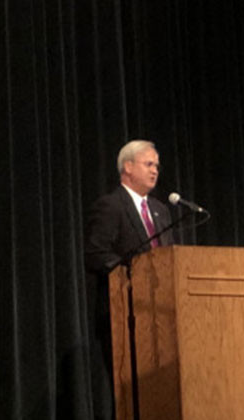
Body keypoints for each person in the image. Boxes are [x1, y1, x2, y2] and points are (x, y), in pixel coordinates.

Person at [83, 139, 174, 419]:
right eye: (149, 164)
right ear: (128, 167)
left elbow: (168, 258)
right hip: (125, 313)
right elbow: (96, 253)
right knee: (131, 395)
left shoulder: (160, 210)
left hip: (162, 314)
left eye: (157, 166)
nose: (155, 171)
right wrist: (131, 271)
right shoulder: (110, 206)